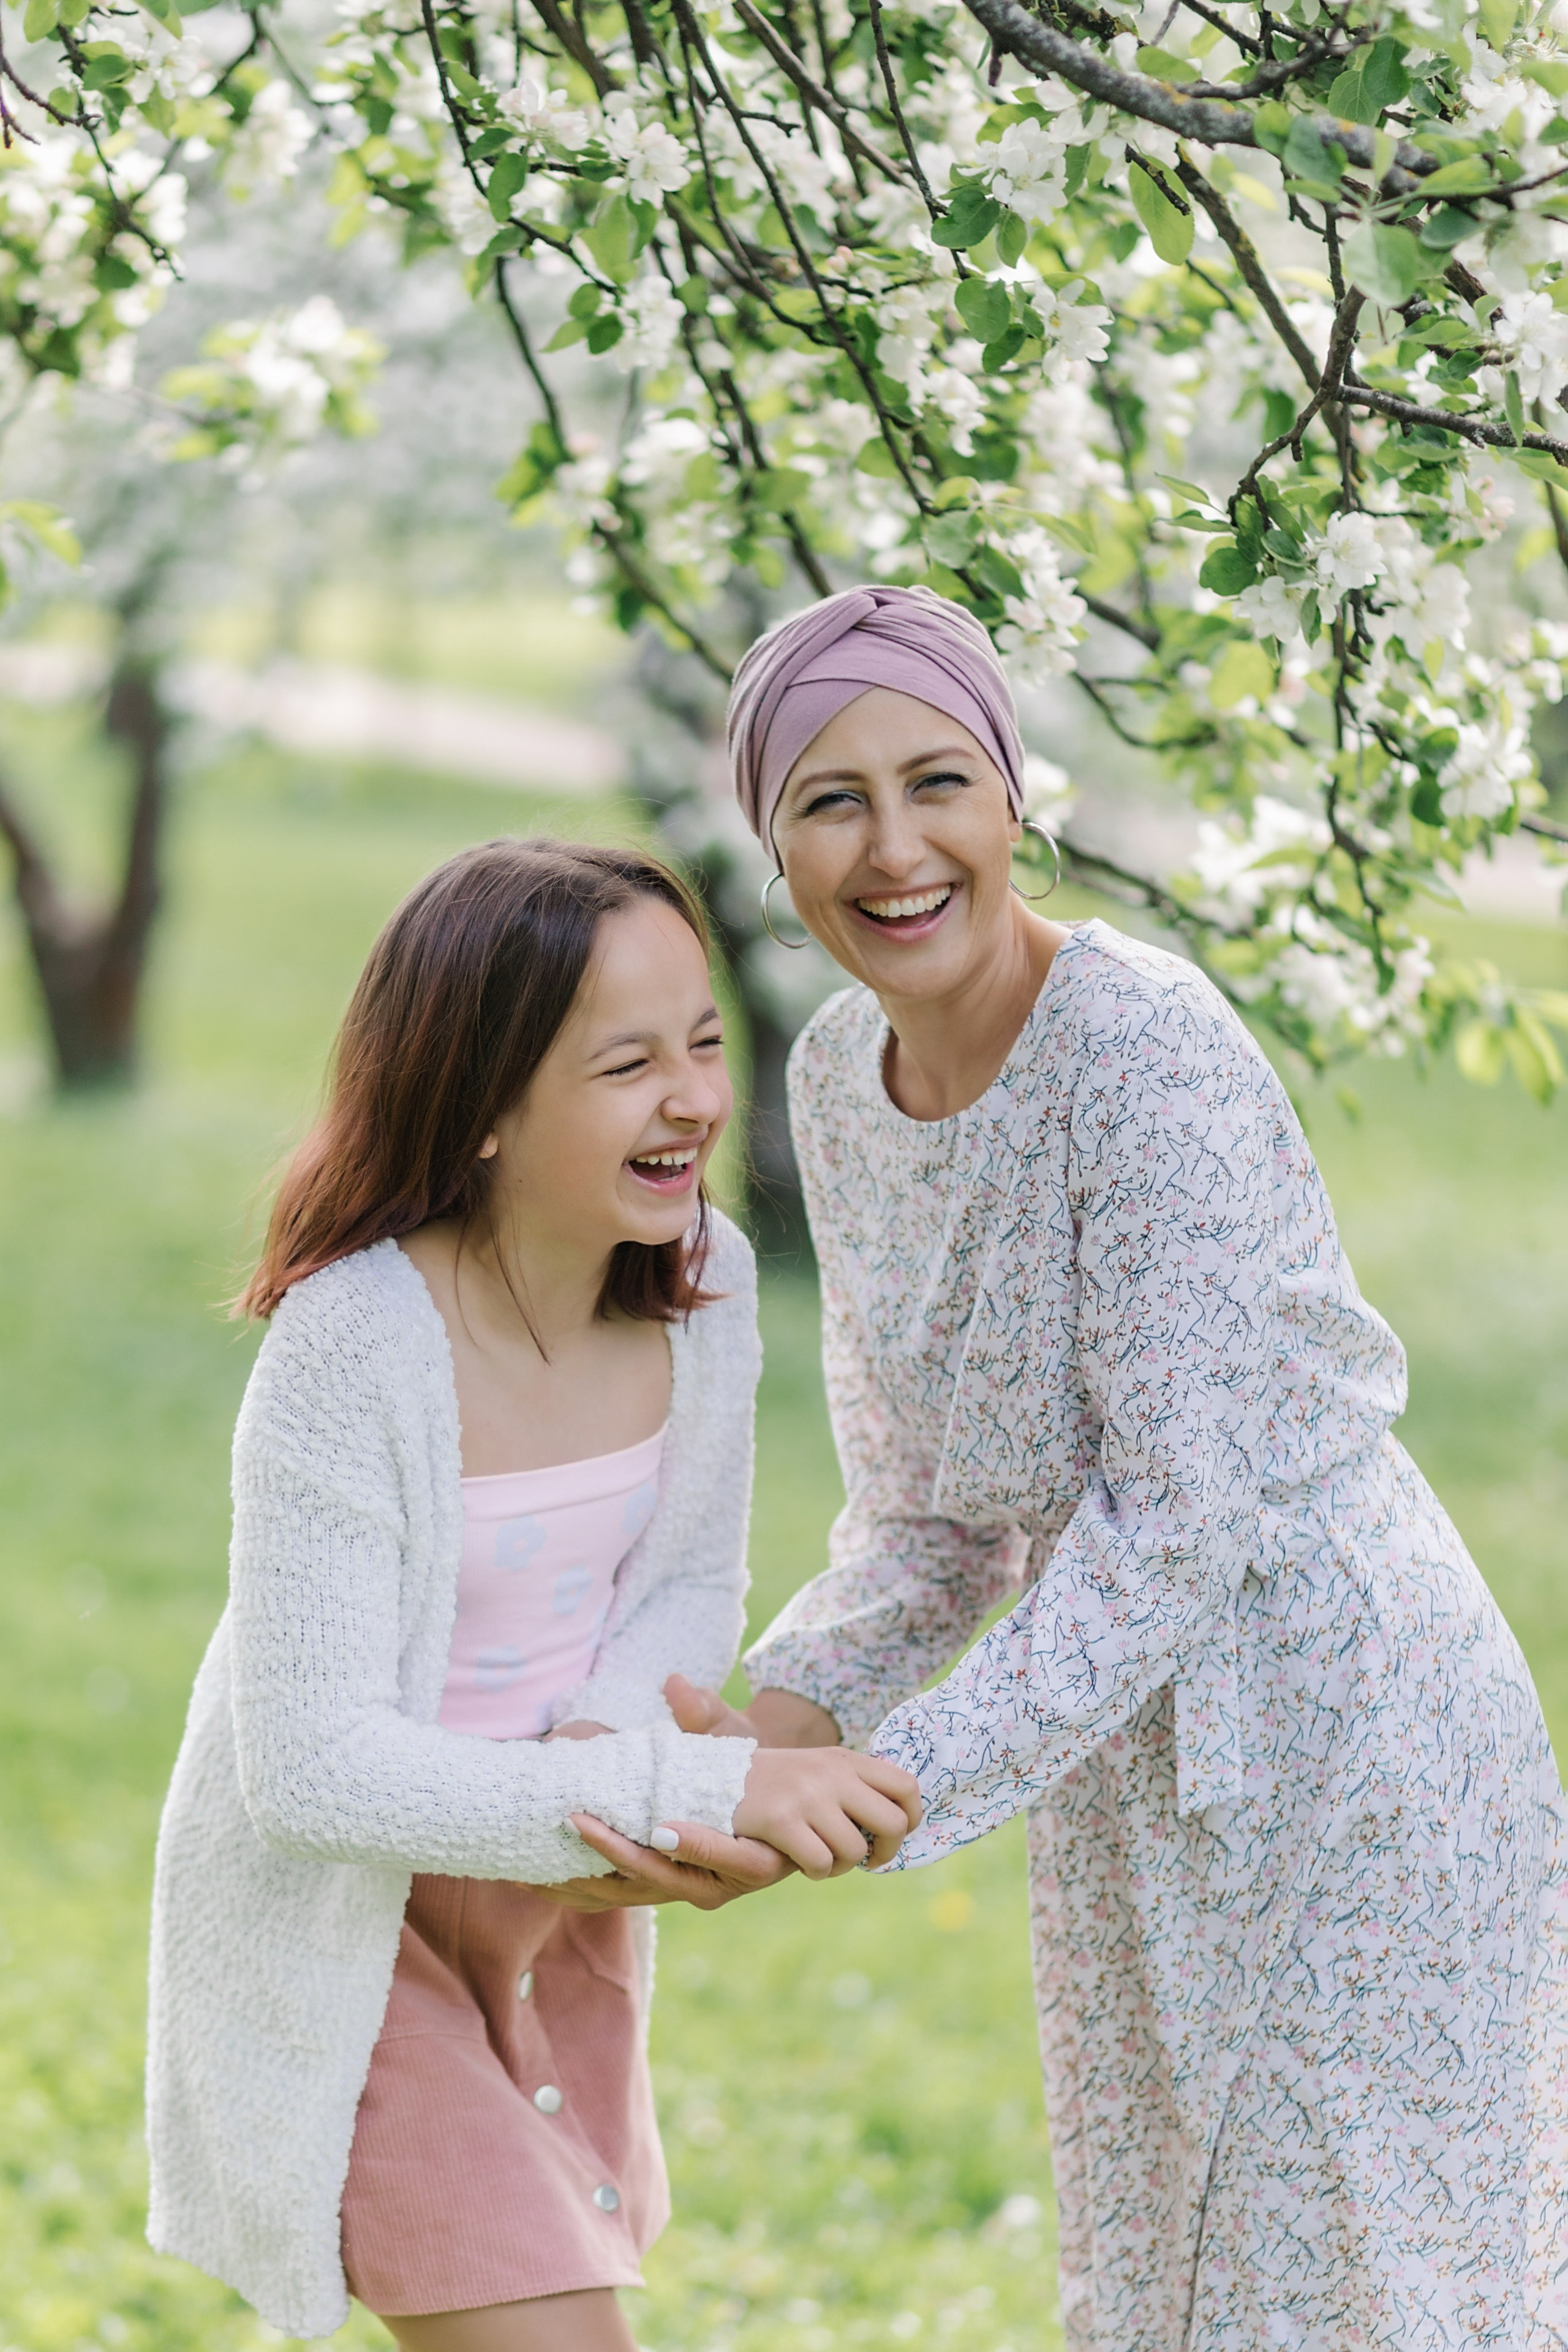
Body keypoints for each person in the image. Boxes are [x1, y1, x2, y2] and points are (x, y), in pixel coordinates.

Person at [669, 584, 1568, 2348]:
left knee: (1362, 2275)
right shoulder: (846, 1079)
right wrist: (753, 1740)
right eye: (831, 801)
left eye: (939, 781)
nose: (896, 845)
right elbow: (929, 1522)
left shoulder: (1142, 1050)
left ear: (1016, 799)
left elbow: (1177, 1530)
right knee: (1170, 2277)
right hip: (1114, 1763)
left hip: (1340, 1729)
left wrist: (896, 1780)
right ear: (773, 849)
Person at [145, 838, 921, 2352]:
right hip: (357, 1931)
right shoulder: (355, 1344)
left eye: (702, 1042)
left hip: (557, 1896)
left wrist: (606, 1761)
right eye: (626, 1064)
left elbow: (687, 1584)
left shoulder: (702, 1288)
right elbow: (305, 1769)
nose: (695, 1096)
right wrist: (677, 1783)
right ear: (484, 1103)